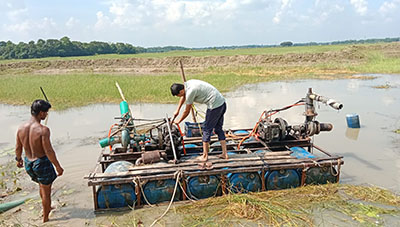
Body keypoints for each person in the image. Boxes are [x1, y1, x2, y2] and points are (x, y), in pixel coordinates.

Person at [15, 99, 64, 223]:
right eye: (46, 112)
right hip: (41, 163)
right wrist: (58, 166)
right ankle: (45, 219)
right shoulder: (43, 130)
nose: (46, 115)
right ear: (41, 113)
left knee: (42, 186)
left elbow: (18, 147)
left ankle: (47, 207)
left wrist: (18, 159)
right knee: (46, 192)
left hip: (29, 163)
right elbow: (49, 151)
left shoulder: (21, 128)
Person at [171, 79, 228, 162]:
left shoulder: (191, 91)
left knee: (206, 129)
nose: (179, 97)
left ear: (181, 91)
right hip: (222, 103)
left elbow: (187, 111)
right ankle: (224, 154)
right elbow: (184, 96)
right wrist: (177, 110)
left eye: (178, 95)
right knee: (218, 129)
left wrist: (178, 121)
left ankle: (205, 156)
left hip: (214, 107)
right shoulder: (188, 84)